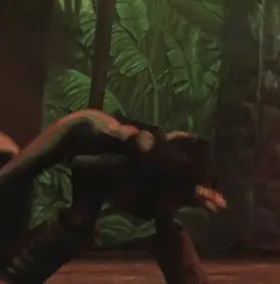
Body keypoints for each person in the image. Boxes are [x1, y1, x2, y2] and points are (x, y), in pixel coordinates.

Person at [0, 110, 225, 283]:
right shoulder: (144, 154)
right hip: (83, 134)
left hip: (109, 163)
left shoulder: (165, 188)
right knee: (16, 175)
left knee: (163, 225)